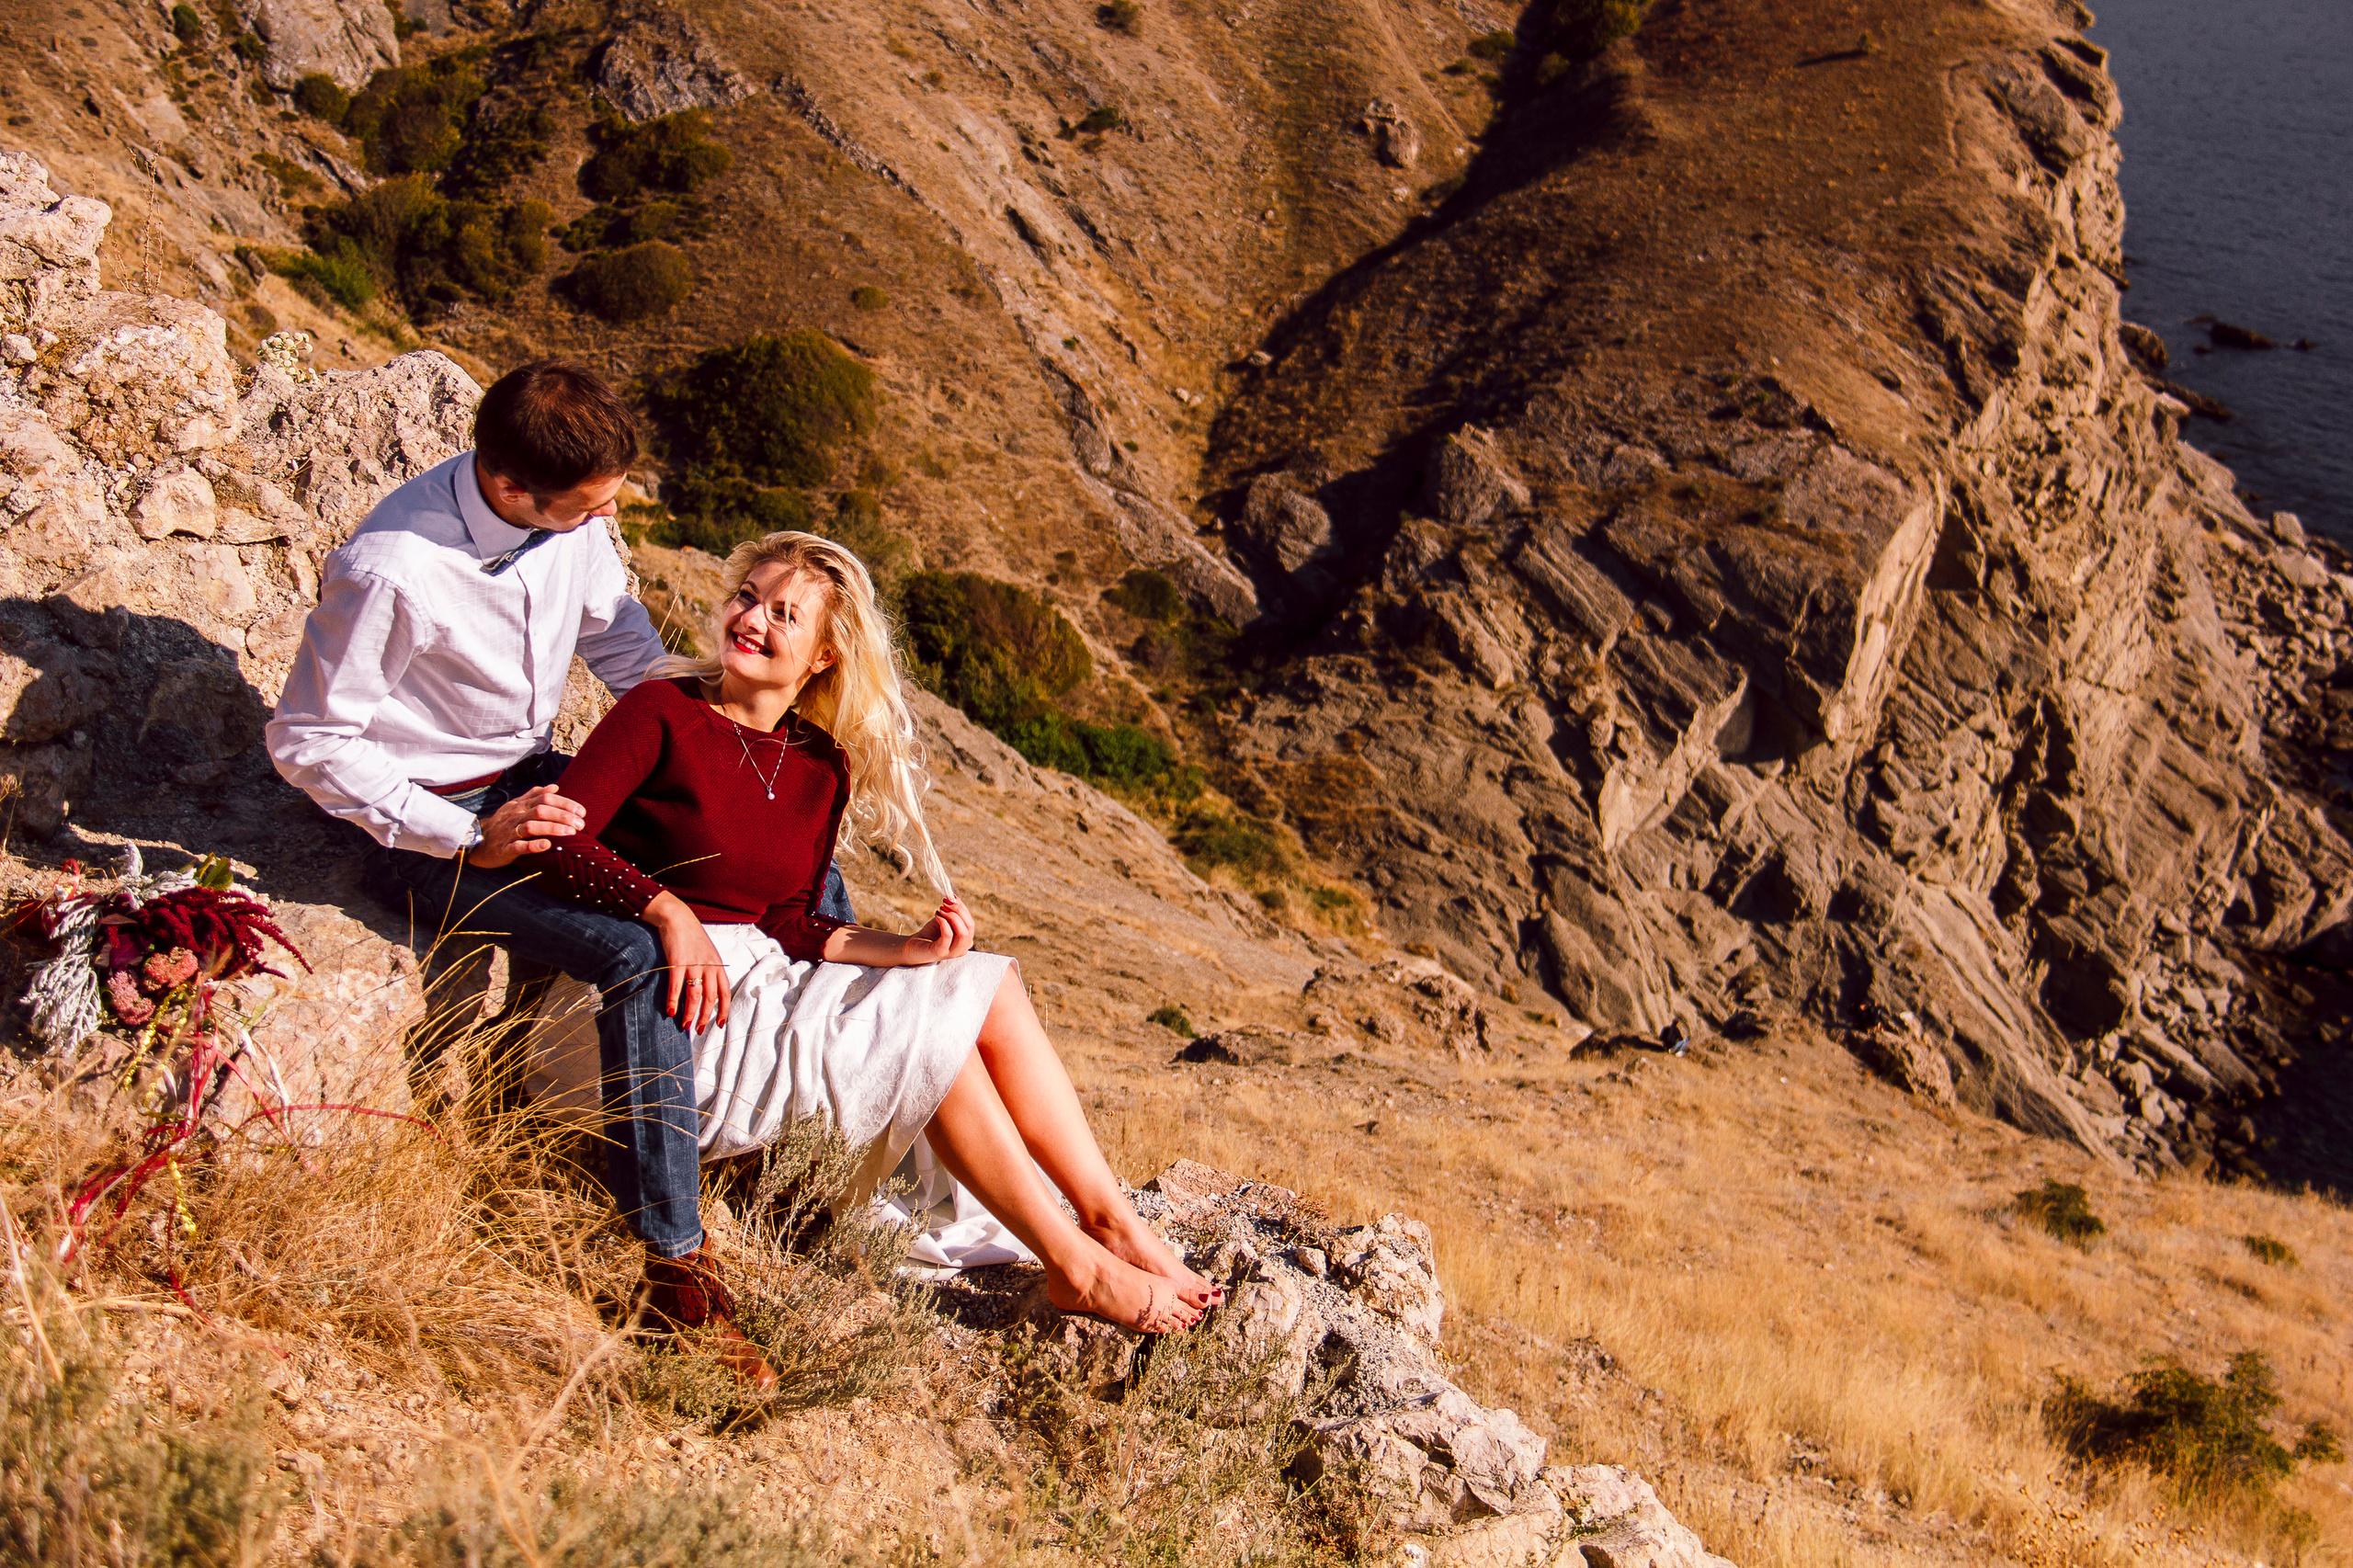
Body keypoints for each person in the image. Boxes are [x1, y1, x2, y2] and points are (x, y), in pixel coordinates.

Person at [266, 358, 851, 1386]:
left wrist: (710, 726)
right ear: (511, 492)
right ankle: (675, 1268)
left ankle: (788, 1123)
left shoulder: (569, 517)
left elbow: (614, 632)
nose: (609, 517)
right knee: (635, 950)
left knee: (793, 867)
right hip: (425, 827)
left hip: (538, 782)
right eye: (592, 507)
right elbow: (309, 738)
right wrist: (464, 836)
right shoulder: (394, 567)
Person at [530, 529, 1223, 1349]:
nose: (752, 620)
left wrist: (912, 950)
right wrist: (665, 911)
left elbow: (791, 921)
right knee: (929, 1033)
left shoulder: (822, 764)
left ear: (824, 655)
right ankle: (1075, 1260)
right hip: (660, 1004)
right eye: (747, 597)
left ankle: (1113, 1226)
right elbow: (562, 844)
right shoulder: (660, 711)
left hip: (758, 982)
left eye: (784, 614)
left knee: (983, 982)